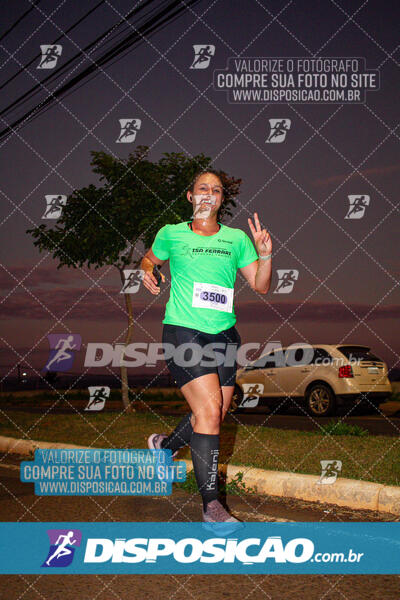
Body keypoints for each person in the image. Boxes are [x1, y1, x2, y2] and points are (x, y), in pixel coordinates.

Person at [140, 169, 272, 527]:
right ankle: (212, 508)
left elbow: (260, 285)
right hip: (184, 331)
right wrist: (146, 269)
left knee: (213, 415)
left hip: (225, 336)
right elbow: (150, 258)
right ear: (191, 196)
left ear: (220, 199)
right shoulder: (172, 233)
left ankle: (163, 447)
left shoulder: (236, 239)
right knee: (210, 414)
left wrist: (265, 256)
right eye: (203, 188)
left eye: (216, 190)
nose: (209, 194)